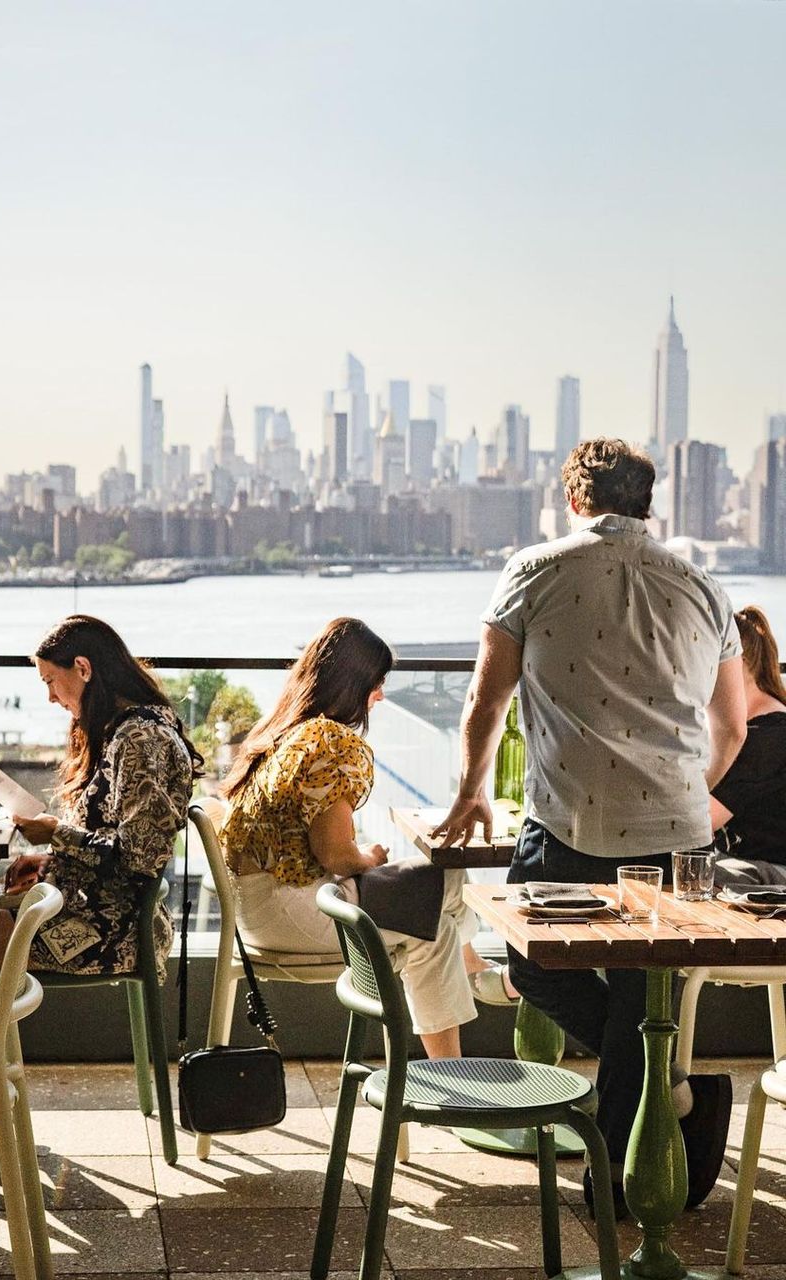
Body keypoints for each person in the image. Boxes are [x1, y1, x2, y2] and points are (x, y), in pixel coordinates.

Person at [432, 437, 747, 1214]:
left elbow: (485, 701)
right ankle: (658, 1094)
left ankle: (620, 1172)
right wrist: (683, 791)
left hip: (568, 818)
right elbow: (732, 726)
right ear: (650, 502)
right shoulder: (704, 585)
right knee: (647, 1001)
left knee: (533, 968)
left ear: (575, 498)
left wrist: (472, 791)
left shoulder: (536, 571)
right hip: (677, 831)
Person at [0, 615, 198, 1065]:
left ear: (83, 668)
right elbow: (111, 837)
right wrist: (50, 856)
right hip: (81, 907)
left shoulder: (140, 738)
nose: (51, 697)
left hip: (106, 928)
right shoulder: (122, 729)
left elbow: (139, 857)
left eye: (52, 681)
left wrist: (58, 834)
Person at [220, 616, 480, 1060]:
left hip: (257, 912)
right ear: (353, 683)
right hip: (300, 913)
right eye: (376, 684)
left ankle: (473, 981)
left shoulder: (278, 732)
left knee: (445, 901)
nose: (379, 696)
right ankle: (456, 1060)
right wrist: (369, 856)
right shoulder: (333, 744)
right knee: (440, 915)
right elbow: (336, 855)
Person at [710, 606, 786, 886]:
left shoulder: (768, 736)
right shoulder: (757, 728)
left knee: (683, 870)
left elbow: (700, 823)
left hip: (772, 875)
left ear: (735, 664)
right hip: (749, 866)